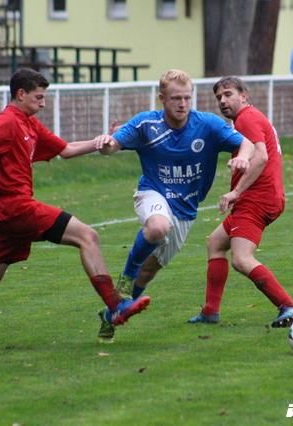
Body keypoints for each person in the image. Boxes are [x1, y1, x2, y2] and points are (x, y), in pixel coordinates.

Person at [0, 68, 149, 349]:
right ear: (20, 94)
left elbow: (66, 149)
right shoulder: (8, 121)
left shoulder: (30, 124)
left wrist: (102, 142)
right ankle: (115, 306)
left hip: (3, 214)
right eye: (39, 97)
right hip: (16, 206)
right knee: (88, 236)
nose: (44, 102)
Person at [92, 69, 255, 341]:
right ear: (162, 99)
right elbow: (113, 145)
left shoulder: (208, 125)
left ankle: (113, 312)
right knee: (157, 227)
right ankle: (123, 283)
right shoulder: (147, 124)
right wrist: (105, 143)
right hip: (153, 193)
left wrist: (243, 158)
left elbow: (246, 143)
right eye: (176, 98)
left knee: (150, 269)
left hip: (186, 211)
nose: (182, 104)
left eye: (187, 98)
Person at [188, 76, 293, 327]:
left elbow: (261, 157)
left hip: (256, 198)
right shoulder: (250, 118)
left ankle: (290, 307)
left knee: (242, 259)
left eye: (228, 94)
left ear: (244, 95)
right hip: (262, 197)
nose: (223, 100)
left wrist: (236, 192)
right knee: (215, 243)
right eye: (219, 97)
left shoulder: (246, 119)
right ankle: (210, 312)